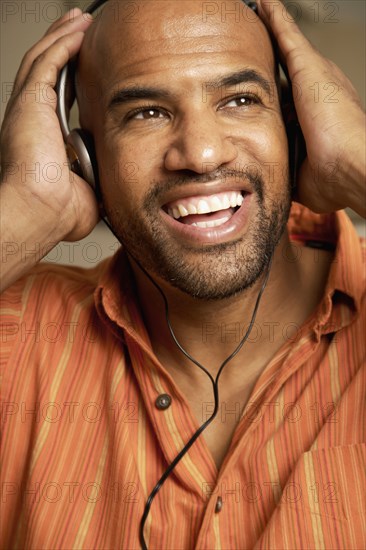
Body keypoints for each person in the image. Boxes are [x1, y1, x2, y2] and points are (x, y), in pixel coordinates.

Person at [0, 0, 365, 548]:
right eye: (146, 112)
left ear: (295, 132)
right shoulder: (22, 333)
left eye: (240, 100)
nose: (201, 153)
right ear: (85, 156)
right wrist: (23, 210)